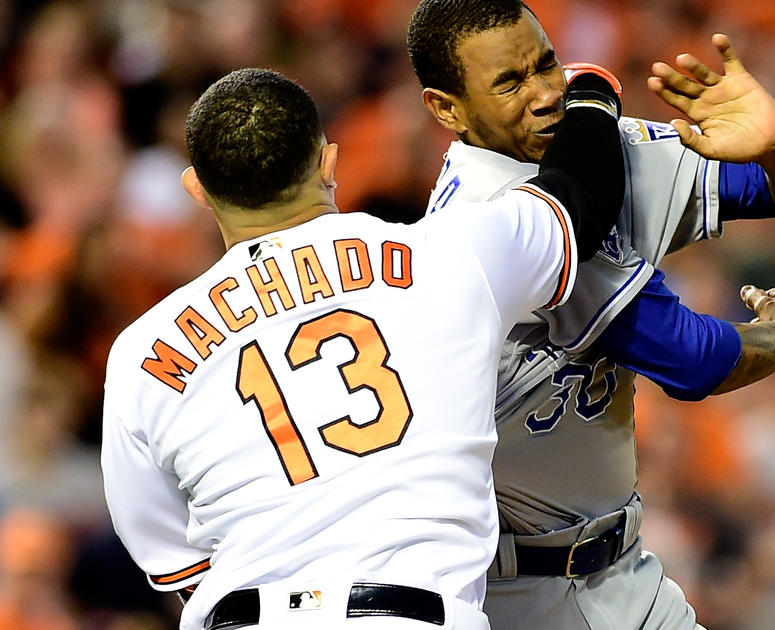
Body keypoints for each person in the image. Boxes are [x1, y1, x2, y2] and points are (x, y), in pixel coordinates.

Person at [101, 66, 627, 630]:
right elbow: (581, 198)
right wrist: (591, 89)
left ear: (197, 191)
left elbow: (180, 567)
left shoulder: (141, 354)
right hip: (411, 616)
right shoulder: (448, 253)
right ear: (329, 163)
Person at [406, 1, 775, 628]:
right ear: (447, 108)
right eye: (509, 83)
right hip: (513, 595)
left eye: (545, 65)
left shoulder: (596, 147)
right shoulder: (486, 223)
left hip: (626, 565)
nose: (546, 94)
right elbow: (692, 361)